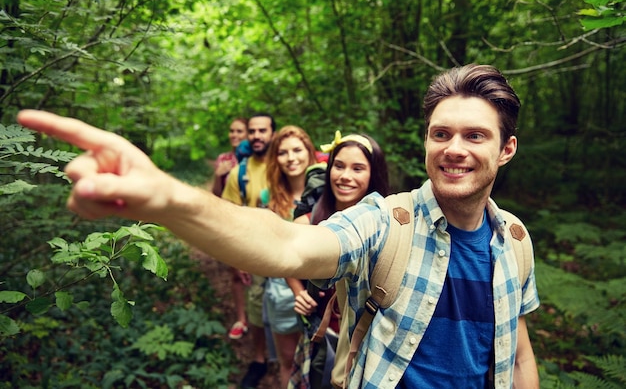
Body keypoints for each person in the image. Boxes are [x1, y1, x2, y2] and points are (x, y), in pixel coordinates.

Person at [17, 64, 540, 389]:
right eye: (441, 133)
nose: (453, 149)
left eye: (475, 136)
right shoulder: (386, 219)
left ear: (507, 149)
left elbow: (515, 352)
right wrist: (169, 200)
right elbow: (287, 243)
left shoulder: (514, 240)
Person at [287, 131, 390, 389]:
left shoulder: (388, 227)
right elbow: (287, 260)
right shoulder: (308, 221)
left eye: (358, 168)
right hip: (324, 337)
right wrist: (298, 292)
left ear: (373, 174)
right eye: (339, 166)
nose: (345, 176)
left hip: (368, 342)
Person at [220, 113, 276, 388]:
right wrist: (236, 258)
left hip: (292, 249)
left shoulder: (287, 163)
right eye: (252, 131)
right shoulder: (238, 173)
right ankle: (259, 359)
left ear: (272, 134)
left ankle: (293, 360)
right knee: (256, 309)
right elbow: (227, 217)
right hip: (254, 251)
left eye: (262, 130)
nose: (256, 136)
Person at [263, 125, 318, 388]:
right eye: (283, 152)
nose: (291, 157)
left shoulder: (325, 191)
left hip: (321, 289)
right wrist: (296, 291)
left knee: (322, 359)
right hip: (283, 290)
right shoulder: (269, 199)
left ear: (309, 153)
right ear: (275, 159)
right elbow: (274, 251)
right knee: (289, 360)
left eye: (297, 150)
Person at [211, 117, 248, 197]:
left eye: (239, 131)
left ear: (248, 134)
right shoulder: (223, 158)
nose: (234, 135)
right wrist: (218, 176)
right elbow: (216, 195)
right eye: (231, 131)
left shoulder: (255, 158)